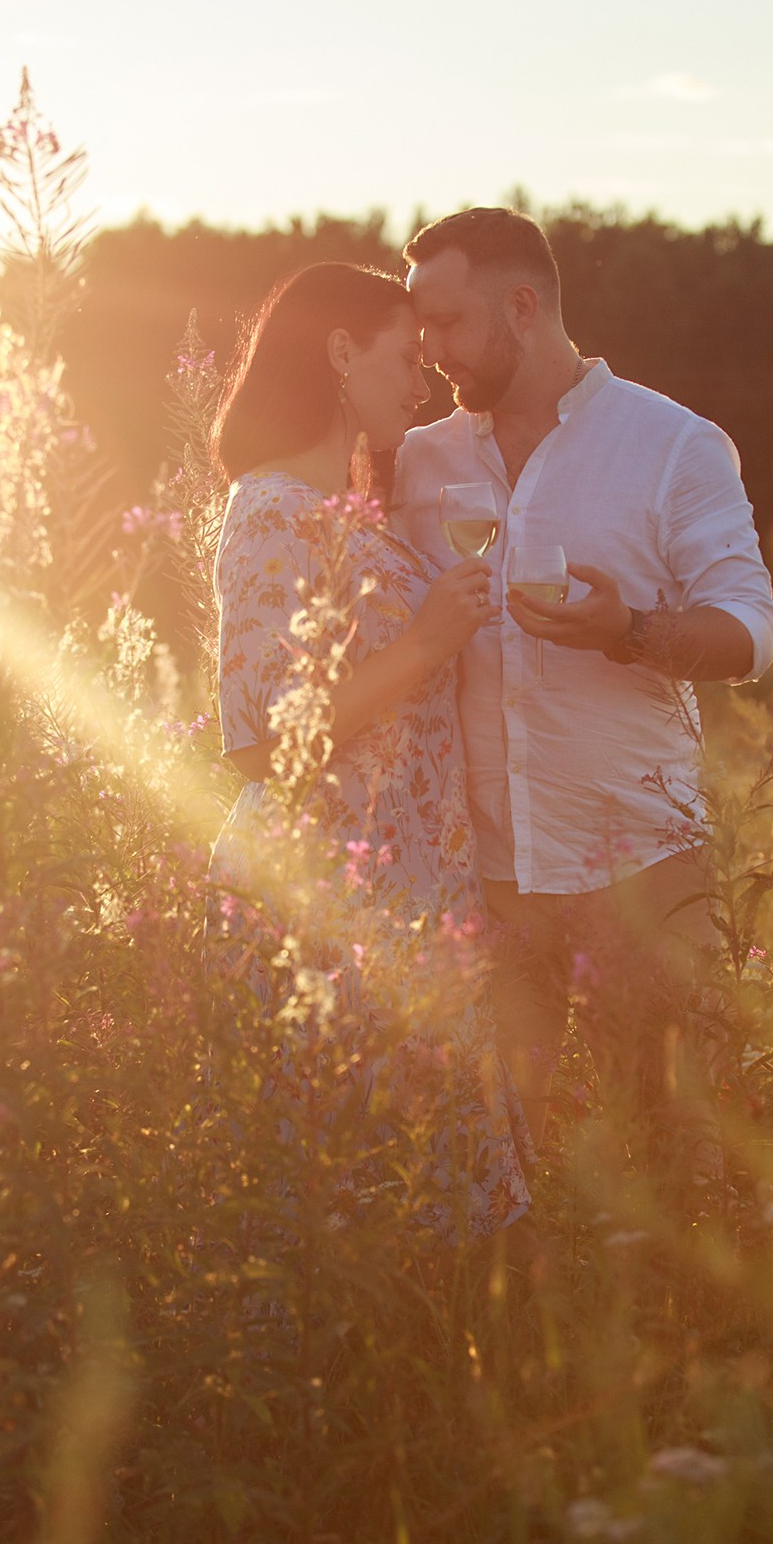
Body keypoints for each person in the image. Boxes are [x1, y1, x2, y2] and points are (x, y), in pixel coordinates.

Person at [393, 208, 773, 1184]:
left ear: (524, 307)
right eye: (419, 327)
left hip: (643, 868)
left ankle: (703, 1338)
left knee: (681, 1156)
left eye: (448, 325)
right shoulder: (424, 460)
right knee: (504, 1162)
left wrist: (630, 632)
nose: (429, 351)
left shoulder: (672, 446)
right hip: (494, 876)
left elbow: (749, 634)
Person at [206, 261, 532, 1243]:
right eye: (405, 357)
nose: (422, 385)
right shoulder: (267, 510)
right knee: (356, 1223)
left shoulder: (359, 520)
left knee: (438, 1221)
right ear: (342, 352)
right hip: (326, 916)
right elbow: (261, 743)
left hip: (412, 911)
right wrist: (427, 642)